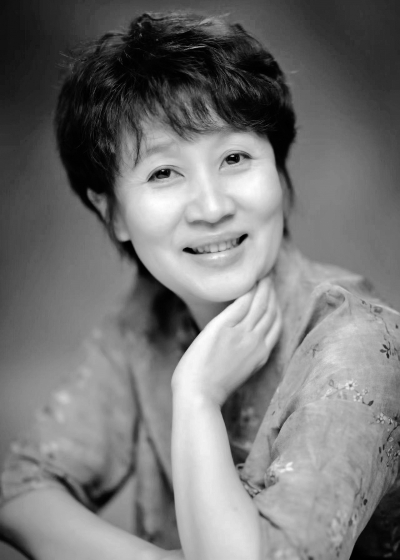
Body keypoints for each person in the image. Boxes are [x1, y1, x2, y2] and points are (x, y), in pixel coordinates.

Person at [0, 10, 399, 560]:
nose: (212, 207)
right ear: (112, 211)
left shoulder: (357, 345)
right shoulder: (148, 320)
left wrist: (195, 398)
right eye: (164, 172)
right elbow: (20, 490)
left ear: (277, 169)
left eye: (235, 157)